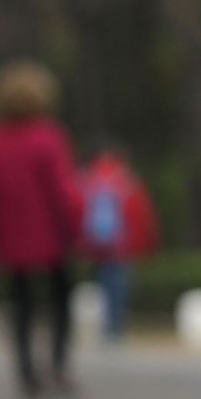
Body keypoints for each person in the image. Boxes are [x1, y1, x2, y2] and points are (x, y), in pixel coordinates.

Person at [0, 62, 82, 399]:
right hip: (52, 235)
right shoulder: (48, 138)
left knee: (21, 302)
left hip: (9, 237)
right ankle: (58, 365)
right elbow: (62, 191)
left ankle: (27, 372)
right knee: (60, 298)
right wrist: (74, 226)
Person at [76, 144, 160, 339]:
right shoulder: (126, 178)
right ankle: (116, 326)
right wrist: (147, 242)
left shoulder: (87, 178)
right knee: (118, 283)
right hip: (121, 243)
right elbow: (141, 213)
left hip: (96, 243)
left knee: (104, 281)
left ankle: (107, 326)